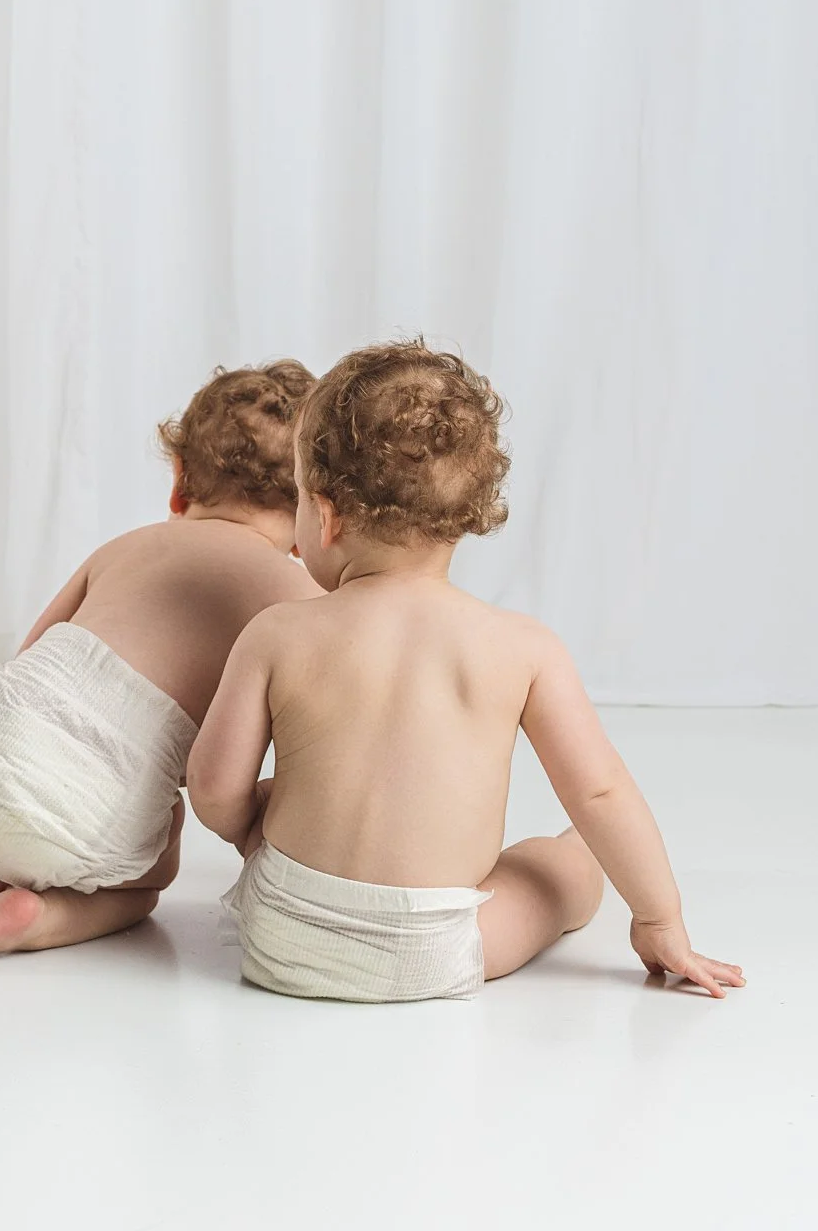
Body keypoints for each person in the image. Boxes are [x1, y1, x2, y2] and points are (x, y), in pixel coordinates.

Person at [189, 340, 744, 1004]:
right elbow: (599, 793)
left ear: (327, 515)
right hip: (432, 949)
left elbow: (215, 786)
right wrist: (661, 920)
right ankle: (579, 863)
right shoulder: (522, 647)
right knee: (559, 865)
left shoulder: (278, 632)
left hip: (280, 935)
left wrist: (258, 824)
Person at [0, 360, 319, 960]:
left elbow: (27, 662)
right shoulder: (301, 605)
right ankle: (38, 915)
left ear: (179, 480)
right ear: (310, 520)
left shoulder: (129, 548)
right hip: (104, 835)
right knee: (149, 880)